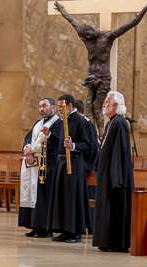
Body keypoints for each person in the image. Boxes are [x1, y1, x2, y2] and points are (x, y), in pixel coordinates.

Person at [53, 0, 147, 139]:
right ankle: (91, 137)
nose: (87, 38)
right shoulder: (86, 39)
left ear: (90, 30)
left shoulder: (107, 36)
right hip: (91, 76)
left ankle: (102, 137)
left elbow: (131, 23)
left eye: (87, 35)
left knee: (98, 109)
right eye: (84, 37)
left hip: (103, 77)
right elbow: (72, 22)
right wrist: (61, 10)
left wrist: (146, 7)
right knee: (88, 106)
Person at [92, 91, 135, 252]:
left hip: (114, 177)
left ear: (115, 105)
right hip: (106, 175)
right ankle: (106, 241)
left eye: (106, 102)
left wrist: (117, 177)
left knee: (115, 209)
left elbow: (120, 152)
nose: (103, 105)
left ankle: (116, 242)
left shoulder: (120, 123)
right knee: (106, 209)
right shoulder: (112, 122)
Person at [47, 94, 92, 243]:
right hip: (62, 163)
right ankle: (64, 230)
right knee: (62, 198)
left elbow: (87, 145)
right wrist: (49, 136)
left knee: (72, 198)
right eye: (59, 106)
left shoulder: (79, 121)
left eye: (61, 106)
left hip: (74, 163)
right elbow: (61, 142)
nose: (59, 109)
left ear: (70, 106)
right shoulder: (65, 121)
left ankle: (75, 232)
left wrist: (73, 146)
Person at [19, 98, 63, 238]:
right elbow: (28, 138)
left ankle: (45, 228)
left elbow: (55, 143)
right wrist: (27, 147)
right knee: (32, 194)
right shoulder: (37, 124)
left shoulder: (59, 124)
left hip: (48, 165)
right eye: (39, 106)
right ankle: (34, 225)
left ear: (54, 108)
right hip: (33, 165)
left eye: (44, 106)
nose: (41, 109)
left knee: (44, 196)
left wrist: (32, 149)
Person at [75, 99, 98, 233]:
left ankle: (90, 225)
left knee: (88, 198)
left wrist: (84, 166)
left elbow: (93, 147)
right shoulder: (77, 123)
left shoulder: (87, 124)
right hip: (78, 166)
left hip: (86, 167)